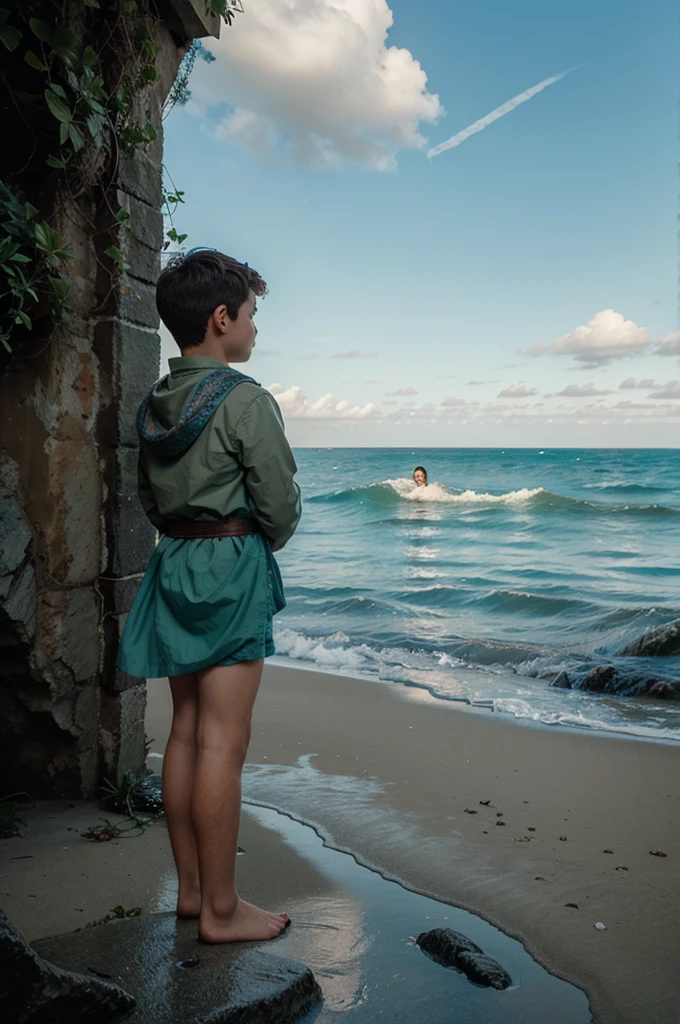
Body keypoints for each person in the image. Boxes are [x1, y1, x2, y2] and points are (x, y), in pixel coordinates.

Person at [117, 249, 301, 944]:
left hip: (177, 564)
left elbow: (149, 501)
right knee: (225, 742)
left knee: (187, 734)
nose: (255, 330)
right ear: (221, 319)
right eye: (251, 316)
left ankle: (194, 893)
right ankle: (223, 911)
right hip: (229, 569)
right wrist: (253, 542)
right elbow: (278, 505)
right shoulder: (245, 399)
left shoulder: (155, 404)